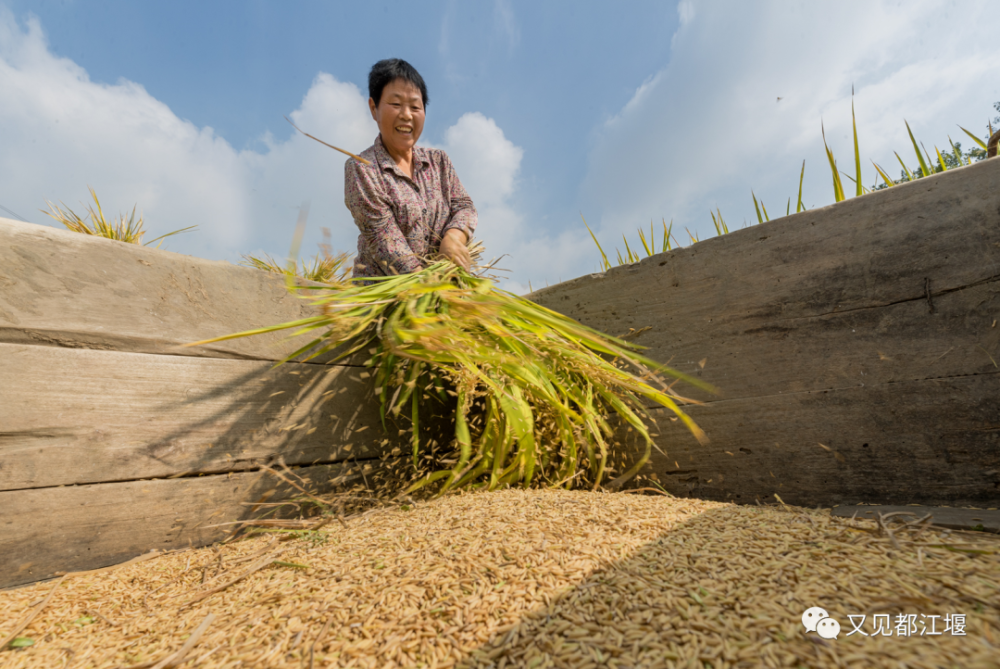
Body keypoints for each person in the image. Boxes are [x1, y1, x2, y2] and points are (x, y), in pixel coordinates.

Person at [345, 58, 476, 281]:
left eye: (415, 106)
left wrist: (453, 237)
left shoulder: (439, 162)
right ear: (374, 108)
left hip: (444, 291)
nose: (406, 115)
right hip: (386, 300)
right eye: (396, 104)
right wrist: (428, 287)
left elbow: (464, 206)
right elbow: (384, 240)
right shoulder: (362, 169)